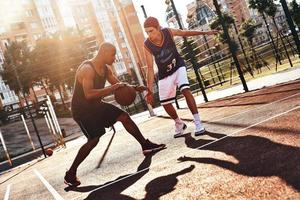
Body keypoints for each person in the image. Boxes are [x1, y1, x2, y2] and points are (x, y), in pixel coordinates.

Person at [64, 42, 166, 187]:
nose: (115, 58)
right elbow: (88, 94)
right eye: (113, 55)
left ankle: (145, 145)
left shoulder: (106, 69)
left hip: (95, 106)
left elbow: (119, 85)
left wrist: (135, 88)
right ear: (104, 53)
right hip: (82, 110)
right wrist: (112, 88)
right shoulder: (87, 69)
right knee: (94, 140)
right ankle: (71, 173)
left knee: (124, 117)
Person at [143, 17, 218, 138]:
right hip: (164, 73)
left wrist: (205, 32)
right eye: (146, 32)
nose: (149, 34)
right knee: (165, 103)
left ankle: (198, 123)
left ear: (158, 28)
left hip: (178, 66)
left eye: (151, 31)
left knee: (185, 90)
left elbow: (185, 33)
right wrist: (149, 90)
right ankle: (179, 123)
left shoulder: (168, 32)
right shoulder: (147, 44)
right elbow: (150, 68)